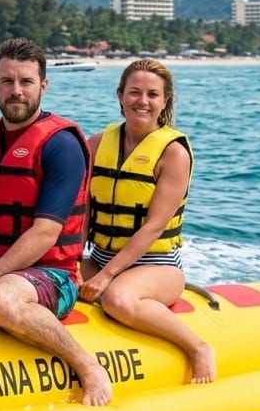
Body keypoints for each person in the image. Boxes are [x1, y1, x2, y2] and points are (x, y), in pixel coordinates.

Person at [0, 38, 113, 407]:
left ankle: (87, 365)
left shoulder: (61, 145)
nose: (16, 91)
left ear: (43, 86)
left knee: (0, 298)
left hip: (51, 275)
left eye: (26, 82)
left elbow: (46, 232)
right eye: (7, 81)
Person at [80, 59, 215, 383]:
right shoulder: (97, 143)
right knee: (43, 281)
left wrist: (106, 277)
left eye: (152, 94)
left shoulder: (173, 154)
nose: (142, 101)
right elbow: (83, 210)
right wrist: (69, 260)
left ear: (164, 101)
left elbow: (154, 226)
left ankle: (197, 346)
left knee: (117, 299)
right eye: (135, 92)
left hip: (156, 266)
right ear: (120, 95)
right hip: (99, 258)